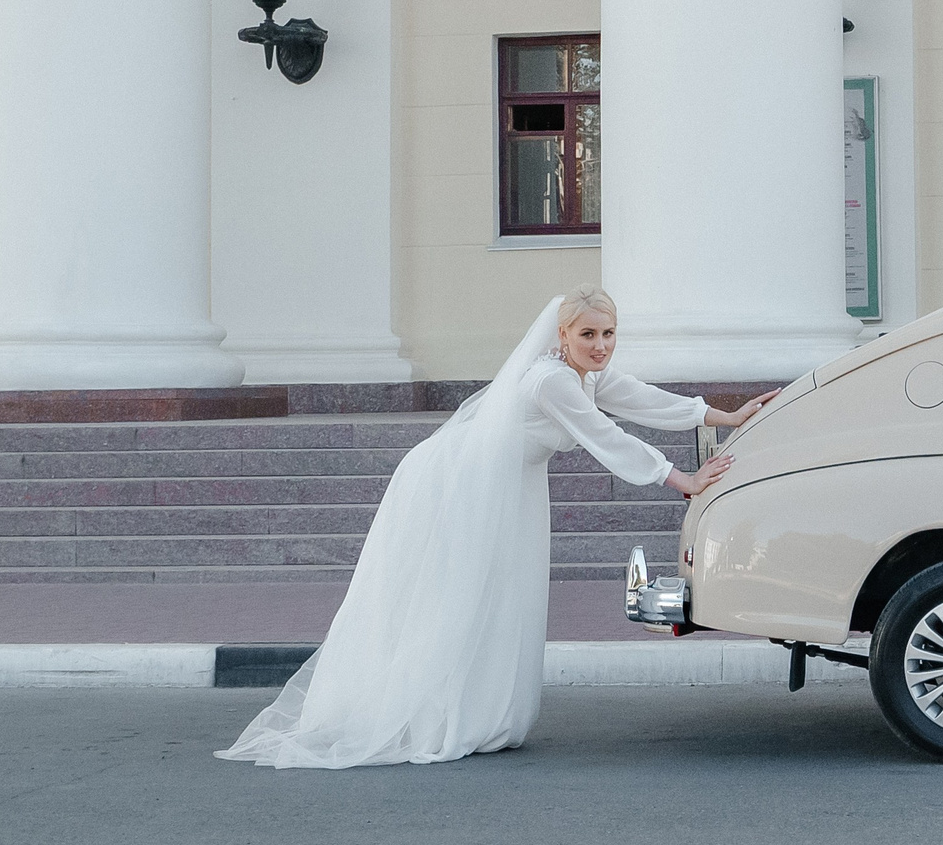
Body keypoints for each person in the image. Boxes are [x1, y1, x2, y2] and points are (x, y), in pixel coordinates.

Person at [219, 287, 777, 769]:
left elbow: (640, 398)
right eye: (589, 334)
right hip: (461, 484)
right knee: (457, 597)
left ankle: (478, 711)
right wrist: (681, 478)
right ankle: (437, 716)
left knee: (502, 597)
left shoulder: (584, 375)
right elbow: (605, 437)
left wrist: (724, 416)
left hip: (510, 484)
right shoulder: (552, 382)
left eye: (609, 333)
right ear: (563, 334)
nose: (601, 345)